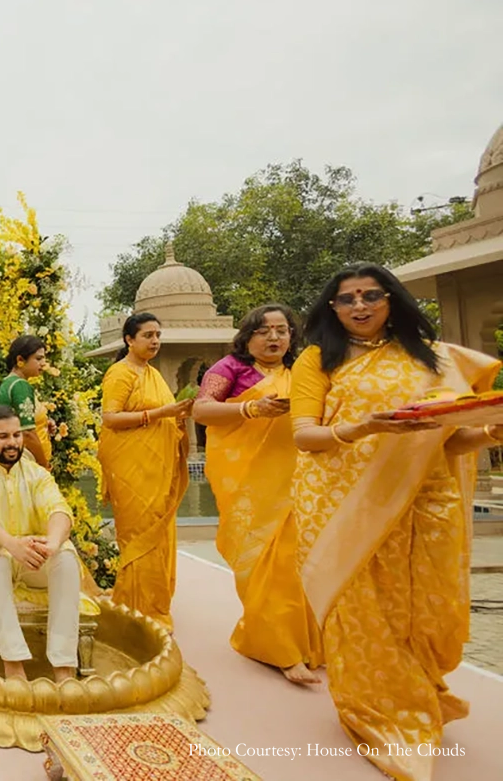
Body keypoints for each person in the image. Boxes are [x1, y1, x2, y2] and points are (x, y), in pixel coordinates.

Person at [290, 263, 501, 781]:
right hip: (343, 504)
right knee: (365, 609)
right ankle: (380, 713)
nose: (359, 307)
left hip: (427, 497)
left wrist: (491, 433)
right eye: (346, 299)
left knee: (427, 604)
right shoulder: (318, 360)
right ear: (332, 308)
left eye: (370, 296)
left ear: (392, 299)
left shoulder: (430, 358)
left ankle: (419, 692)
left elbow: (448, 438)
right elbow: (303, 436)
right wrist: (362, 426)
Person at [192, 304, 322, 685]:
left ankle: (305, 644)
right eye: (264, 331)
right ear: (247, 337)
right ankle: (279, 650)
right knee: (265, 566)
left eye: (282, 330)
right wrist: (251, 408)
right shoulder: (229, 369)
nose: (275, 338)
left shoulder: (301, 373)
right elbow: (202, 410)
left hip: (297, 485)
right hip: (249, 490)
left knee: (298, 565)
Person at [0, 404, 97, 682]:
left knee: (67, 556)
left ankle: (64, 667)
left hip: (31, 558)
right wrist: (11, 545)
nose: (12, 443)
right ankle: (14, 664)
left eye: (17, 435)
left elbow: (59, 510)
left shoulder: (37, 474)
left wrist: (53, 545)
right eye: (3, 436)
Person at [96, 312, 192, 631]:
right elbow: (110, 418)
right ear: (129, 340)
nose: (154, 341)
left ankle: (153, 605)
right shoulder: (120, 373)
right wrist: (162, 413)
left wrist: (176, 419)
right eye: (147, 335)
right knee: (139, 534)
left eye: (157, 335)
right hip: (129, 467)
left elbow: (162, 416)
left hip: (157, 468)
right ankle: (135, 607)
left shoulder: (152, 374)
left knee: (158, 532)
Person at [0, 335, 57, 469]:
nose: (43, 363)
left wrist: (43, 423)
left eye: (44, 359)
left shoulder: (9, 383)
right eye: (38, 358)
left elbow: (20, 419)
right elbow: (27, 433)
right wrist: (44, 466)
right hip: (27, 466)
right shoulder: (20, 386)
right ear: (20, 360)